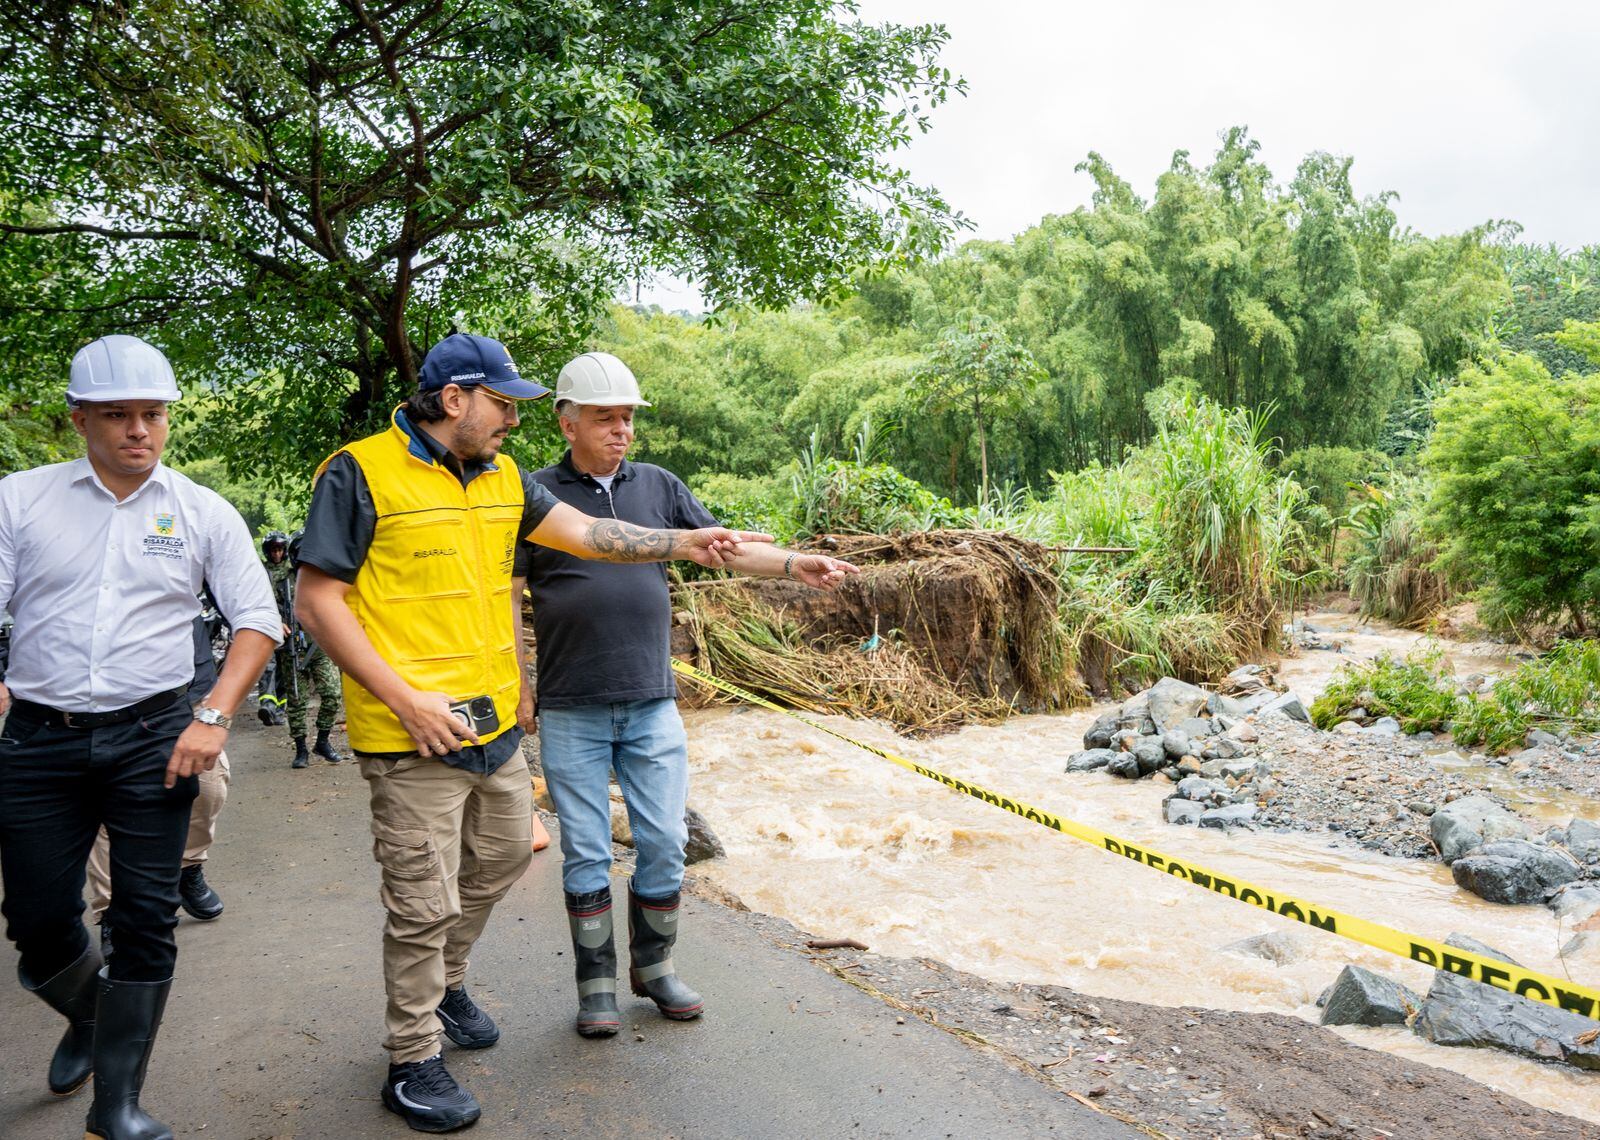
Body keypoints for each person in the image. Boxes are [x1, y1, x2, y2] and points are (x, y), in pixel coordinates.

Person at [293, 332, 772, 1134]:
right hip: (411, 733)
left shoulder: (503, 478)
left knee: (507, 856)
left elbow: (589, 536)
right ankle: (412, 1060)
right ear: (455, 401)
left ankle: (445, 982)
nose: (514, 419)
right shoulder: (359, 471)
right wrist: (405, 699)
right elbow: (317, 602)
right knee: (422, 897)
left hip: (492, 727)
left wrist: (688, 542)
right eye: (504, 404)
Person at [516, 351, 857, 1040]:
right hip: (571, 704)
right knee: (585, 850)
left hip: (651, 699)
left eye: (628, 418)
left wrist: (798, 563)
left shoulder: (660, 486)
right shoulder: (534, 496)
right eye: (606, 418)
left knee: (667, 841)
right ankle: (597, 987)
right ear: (567, 421)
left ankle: (655, 966)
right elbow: (506, 594)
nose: (621, 431)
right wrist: (518, 683)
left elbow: (720, 549)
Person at [0, 335, 280, 1140]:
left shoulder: (198, 510)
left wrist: (212, 715)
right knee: (37, 918)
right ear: (80, 418)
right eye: (117, 415)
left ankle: (116, 1104)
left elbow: (258, 621)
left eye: (152, 414)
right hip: (39, 738)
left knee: (144, 917)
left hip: (156, 737)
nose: (138, 431)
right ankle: (90, 1015)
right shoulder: (22, 499)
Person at [86, 613, 234, 944]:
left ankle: (187, 866)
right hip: (101, 699)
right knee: (102, 802)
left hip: (188, 691)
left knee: (209, 785)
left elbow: (241, 597)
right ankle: (113, 910)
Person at [274, 529, 346, 768]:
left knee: (332, 694)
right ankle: (301, 749)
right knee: (296, 701)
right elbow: (263, 607)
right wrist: (277, 621)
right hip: (292, 649)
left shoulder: (324, 578)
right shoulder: (281, 580)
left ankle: (323, 741)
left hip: (320, 646)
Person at [256, 531, 290, 726]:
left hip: (290, 627)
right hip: (269, 623)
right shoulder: (260, 571)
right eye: (273, 550)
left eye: (279, 550)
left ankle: (280, 709)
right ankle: (267, 706)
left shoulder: (291, 570)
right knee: (268, 666)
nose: (276, 554)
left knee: (285, 670)